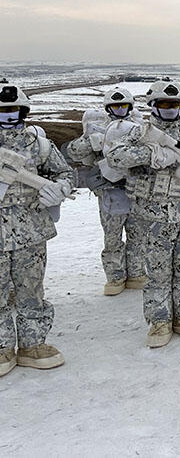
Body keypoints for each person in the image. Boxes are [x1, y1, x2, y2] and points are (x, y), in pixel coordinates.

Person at [106, 80, 180, 348]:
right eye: (164, 104)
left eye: (174, 104)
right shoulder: (140, 133)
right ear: (153, 106)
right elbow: (115, 157)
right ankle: (160, 320)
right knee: (158, 270)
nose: (169, 109)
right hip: (153, 217)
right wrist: (154, 153)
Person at [0, 80, 73, 375]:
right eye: (3, 111)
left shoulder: (40, 145)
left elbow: (64, 172)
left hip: (31, 232)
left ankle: (33, 345)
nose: (8, 116)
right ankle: (2, 348)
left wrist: (60, 188)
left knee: (31, 291)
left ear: (23, 112)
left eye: (13, 111)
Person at [66, 87, 147, 295]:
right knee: (112, 237)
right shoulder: (97, 128)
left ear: (130, 107)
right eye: (115, 106)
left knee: (137, 235)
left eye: (123, 105)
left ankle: (137, 274)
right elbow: (73, 151)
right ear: (107, 108)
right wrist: (91, 141)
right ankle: (115, 277)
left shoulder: (140, 127)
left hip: (137, 189)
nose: (119, 109)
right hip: (111, 190)